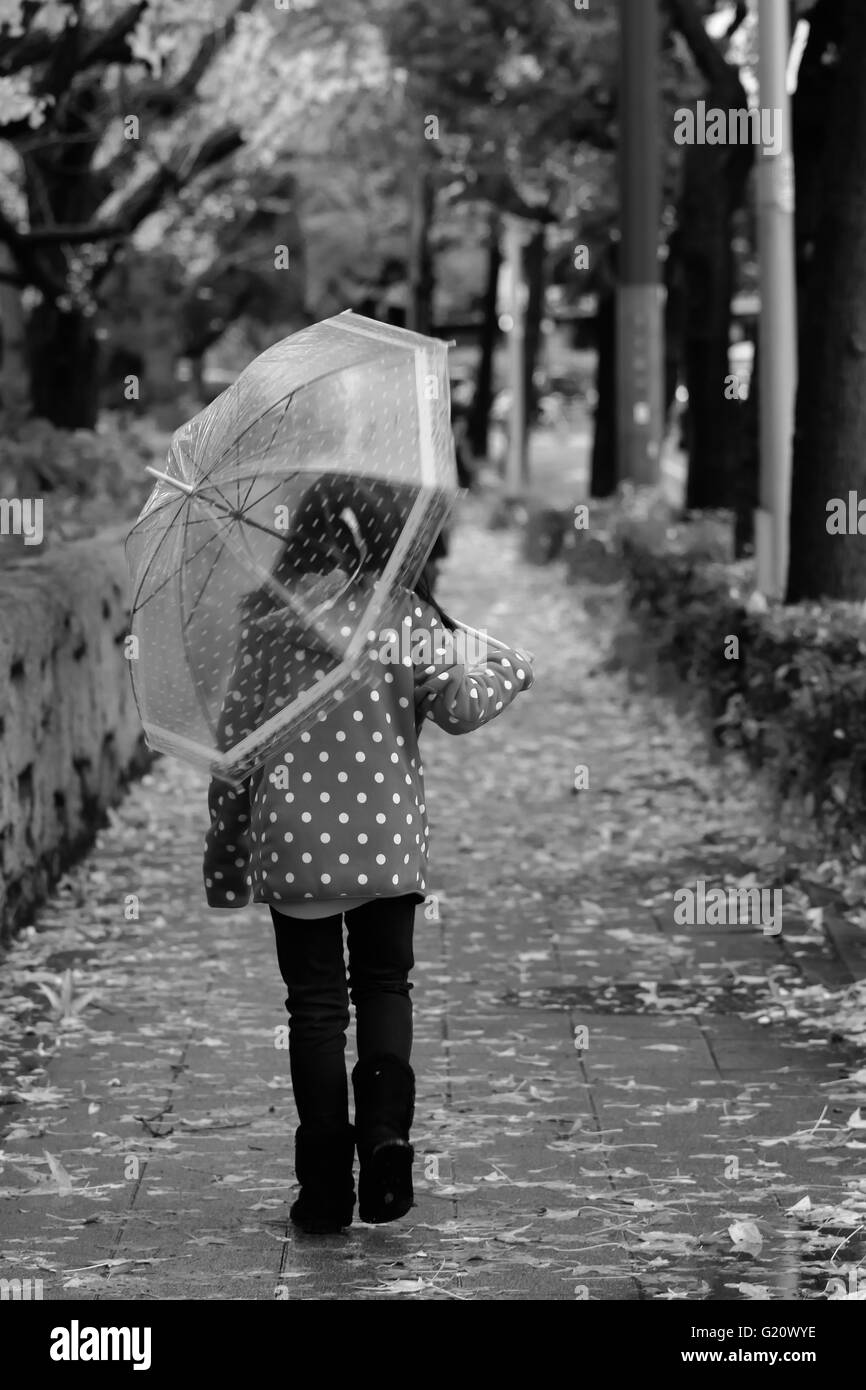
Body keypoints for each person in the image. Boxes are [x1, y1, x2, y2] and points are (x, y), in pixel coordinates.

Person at [202, 473, 535, 1233]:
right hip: (386, 844)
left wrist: (226, 859)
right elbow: (457, 708)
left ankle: (323, 1190)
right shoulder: (406, 617)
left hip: (294, 849)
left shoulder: (264, 620)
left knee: (314, 1009)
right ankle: (387, 1141)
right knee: (385, 987)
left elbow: (234, 753)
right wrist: (507, 666)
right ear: (391, 541)